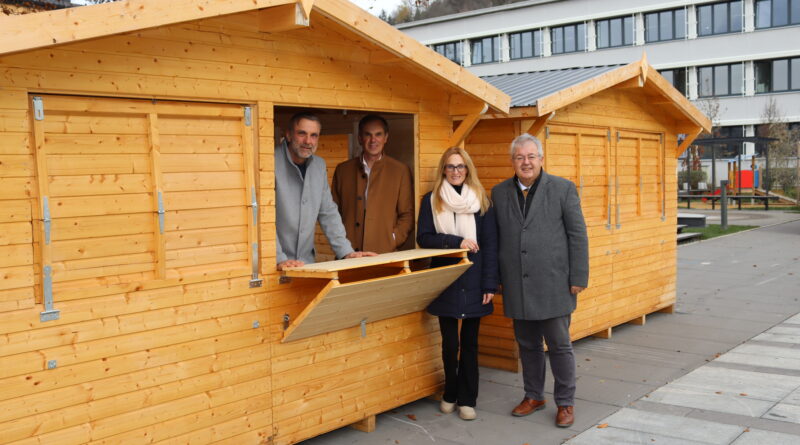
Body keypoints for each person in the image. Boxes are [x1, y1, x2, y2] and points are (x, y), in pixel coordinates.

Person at [491, 133, 589, 428]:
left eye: (531, 156)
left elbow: (577, 235)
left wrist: (578, 276)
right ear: (512, 161)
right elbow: (495, 239)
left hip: (555, 284)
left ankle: (566, 403)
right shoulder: (498, 193)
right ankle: (534, 395)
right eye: (520, 157)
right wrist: (495, 278)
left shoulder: (562, 189)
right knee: (527, 345)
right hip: (518, 285)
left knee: (559, 346)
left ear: (541, 159)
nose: (526, 162)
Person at [417, 147, 498, 421]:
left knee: (470, 343)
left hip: (475, 280)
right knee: (450, 344)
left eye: (460, 166)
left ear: (468, 169)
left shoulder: (481, 202)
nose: (456, 171)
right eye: (450, 166)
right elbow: (424, 238)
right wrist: (455, 242)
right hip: (446, 279)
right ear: (443, 169)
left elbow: (489, 245)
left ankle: (467, 399)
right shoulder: (430, 201)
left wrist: (490, 285)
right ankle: (449, 392)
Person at [274, 112, 375, 270]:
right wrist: (278, 258)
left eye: (314, 135)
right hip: (272, 264)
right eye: (302, 133)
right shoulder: (269, 162)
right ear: (288, 135)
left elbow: (328, 212)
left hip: (306, 263)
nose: (308, 141)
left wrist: (346, 251)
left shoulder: (319, 165)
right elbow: (260, 219)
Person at [332, 114, 414, 254]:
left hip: (384, 253)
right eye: (368, 135)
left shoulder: (400, 170)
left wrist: (393, 239)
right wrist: (341, 244)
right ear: (359, 138)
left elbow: (407, 214)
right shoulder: (342, 170)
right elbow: (332, 212)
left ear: (386, 138)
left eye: (378, 134)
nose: (373, 140)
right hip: (349, 253)